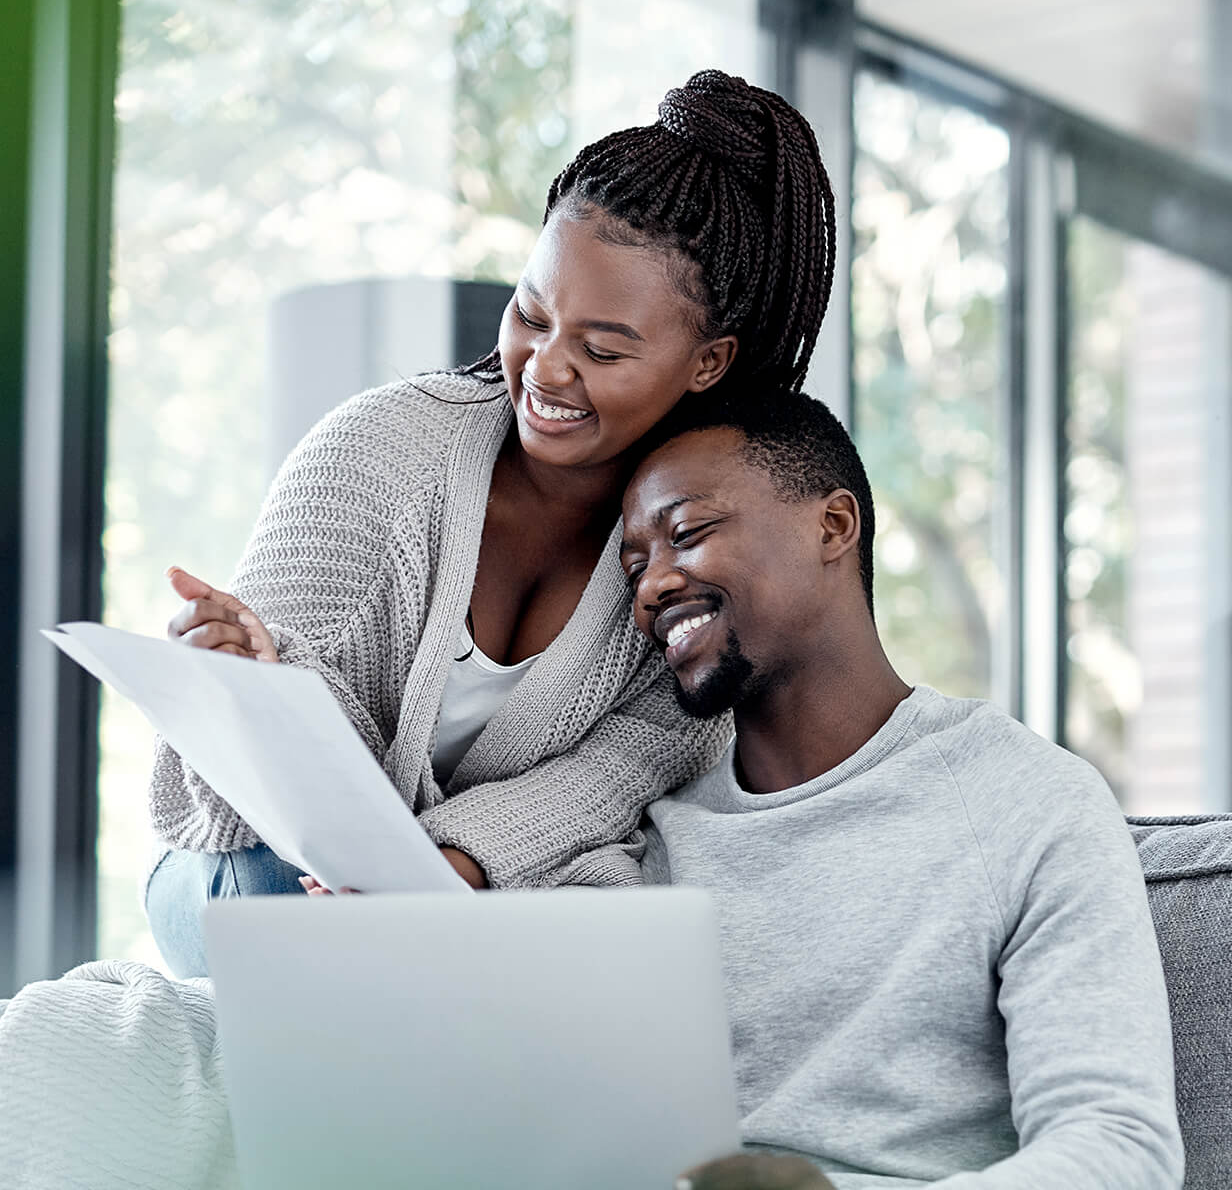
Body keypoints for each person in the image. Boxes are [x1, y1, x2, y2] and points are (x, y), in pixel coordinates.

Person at [144, 69, 841, 978]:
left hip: (481, 893)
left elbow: (634, 763)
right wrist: (256, 683)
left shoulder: (697, 542)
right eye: (531, 314)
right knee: (308, 913)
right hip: (261, 868)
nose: (545, 371)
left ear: (708, 362)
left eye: (601, 349)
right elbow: (248, 806)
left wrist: (454, 868)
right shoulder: (379, 453)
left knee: (626, 921)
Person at [618, 391, 1184, 1190]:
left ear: (834, 526)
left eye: (688, 534)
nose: (650, 588)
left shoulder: (1026, 801)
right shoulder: (652, 844)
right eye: (635, 566)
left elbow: (1119, 1147)